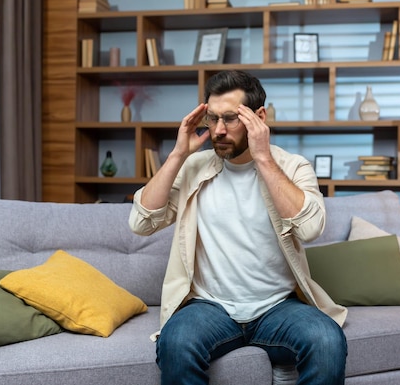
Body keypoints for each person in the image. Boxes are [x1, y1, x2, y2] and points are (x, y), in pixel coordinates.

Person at [128, 70, 347, 385]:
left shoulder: (292, 167)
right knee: (176, 343)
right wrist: (178, 154)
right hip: (208, 307)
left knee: (327, 341)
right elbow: (140, 222)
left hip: (278, 307)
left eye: (230, 119)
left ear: (259, 117)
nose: (218, 130)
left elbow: (311, 228)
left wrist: (263, 158)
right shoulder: (194, 167)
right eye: (212, 118)